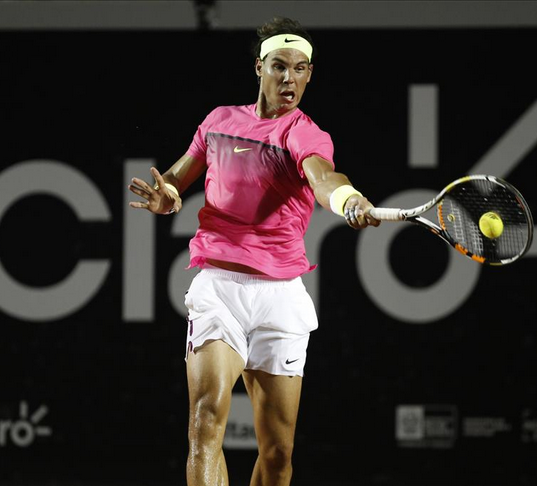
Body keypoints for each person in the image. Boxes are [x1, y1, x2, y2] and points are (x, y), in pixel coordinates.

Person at [128, 16, 380, 486]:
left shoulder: (304, 133)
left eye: (302, 69)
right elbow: (177, 179)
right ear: (259, 68)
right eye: (280, 67)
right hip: (218, 288)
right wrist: (169, 197)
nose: (290, 79)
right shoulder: (219, 121)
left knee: (278, 452)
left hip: (278, 297)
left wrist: (347, 200)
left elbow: (325, 178)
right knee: (206, 421)